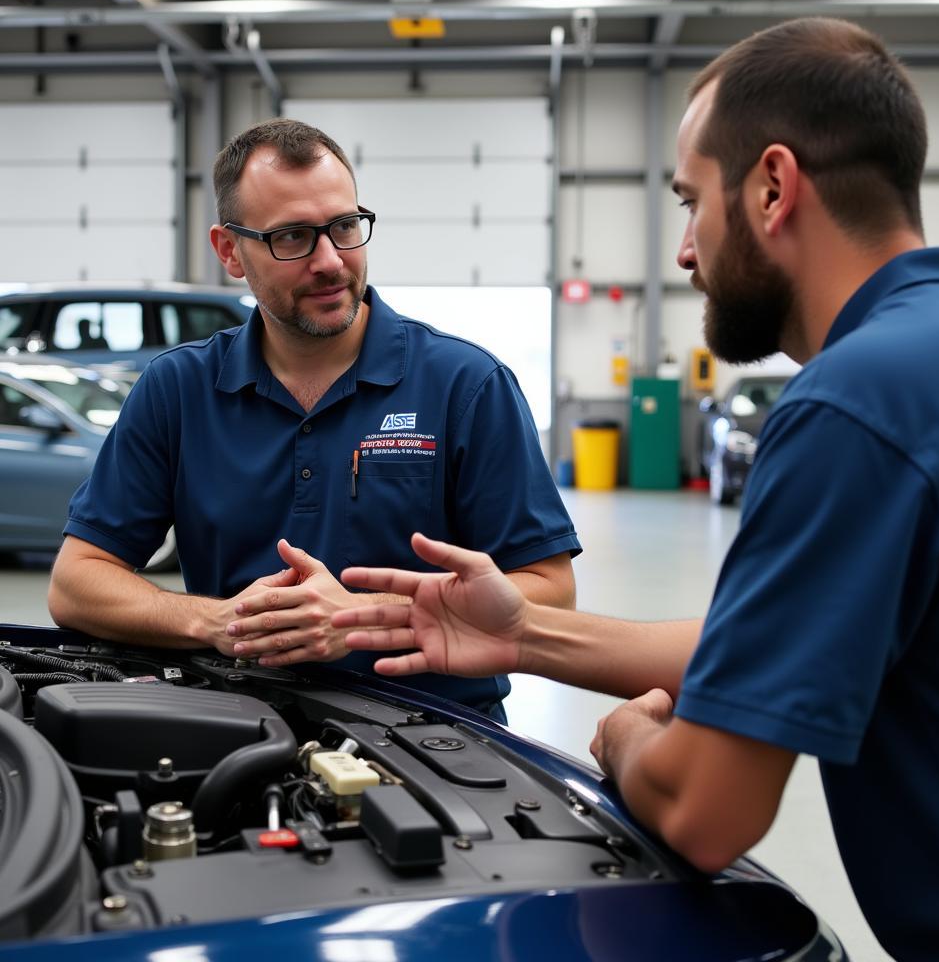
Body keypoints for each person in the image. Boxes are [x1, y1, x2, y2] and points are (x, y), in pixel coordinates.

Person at [330, 17, 939, 961]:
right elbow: (784, 644)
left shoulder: (856, 405)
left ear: (773, 187)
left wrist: (624, 746)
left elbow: (705, 811)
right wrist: (520, 633)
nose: (687, 251)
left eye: (692, 201)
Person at [48, 118, 580, 721]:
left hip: (435, 741)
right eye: (293, 237)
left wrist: (356, 618)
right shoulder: (178, 389)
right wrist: (214, 619)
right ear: (230, 252)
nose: (330, 261)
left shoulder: (467, 385)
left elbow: (549, 591)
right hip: (234, 731)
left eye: (345, 226)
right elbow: (77, 582)